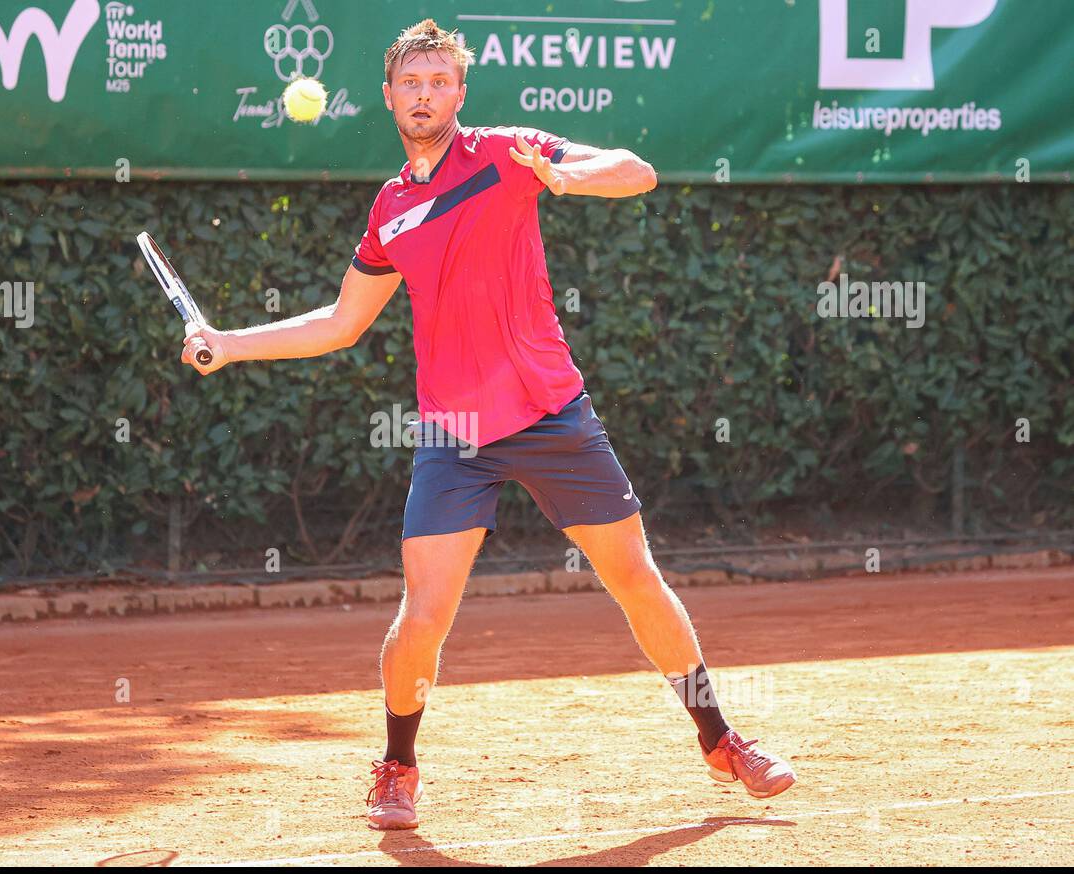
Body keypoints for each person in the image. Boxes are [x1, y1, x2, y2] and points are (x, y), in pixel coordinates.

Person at [182, 18, 796, 831]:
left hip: (551, 412)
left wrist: (570, 179)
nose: (425, 94)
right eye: (412, 82)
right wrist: (229, 344)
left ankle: (720, 739)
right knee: (422, 618)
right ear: (390, 97)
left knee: (635, 579)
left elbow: (637, 171)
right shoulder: (391, 209)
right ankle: (397, 767)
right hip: (455, 434)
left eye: (440, 82)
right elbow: (340, 321)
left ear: (460, 94)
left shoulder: (511, 152)